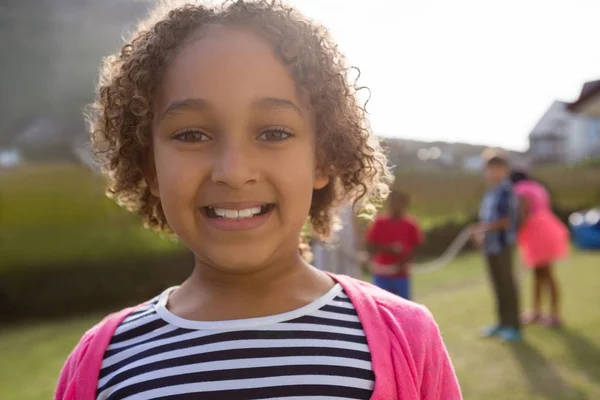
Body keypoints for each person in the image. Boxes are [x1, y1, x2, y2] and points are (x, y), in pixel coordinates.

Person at [54, 2, 462, 399]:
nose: (233, 171)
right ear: (149, 166)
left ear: (323, 157)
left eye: (273, 133)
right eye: (191, 135)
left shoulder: (405, 338)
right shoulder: (103, 364)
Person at [471, 153, 521, 342]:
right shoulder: (490, 192)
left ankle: (513, 326)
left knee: (508, 285)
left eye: (497, 168)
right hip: (490, 246)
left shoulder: (507, 191)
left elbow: (506, 221)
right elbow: (488, 219)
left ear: (505, 170)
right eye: (490, 168)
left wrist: (482, 228)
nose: (493, 172)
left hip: (503, 245)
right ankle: (502, 323)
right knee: (497, 285)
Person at [510, 170, 569, 327]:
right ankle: (537, 312)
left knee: (547, 274)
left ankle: (555, 315)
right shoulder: (537, 187)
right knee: (539, 274)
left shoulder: (520, 189)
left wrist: (514, 234)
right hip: (548, 227)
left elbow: (524, 213)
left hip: (537, 232)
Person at [365, 191, 424, 300]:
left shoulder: (411, 224)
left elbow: (416, 247)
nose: (393, 205)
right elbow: (370, 245)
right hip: (382, 273)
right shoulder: (379, 222)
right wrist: (390, 249)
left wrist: (404, 261)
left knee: (404, 306)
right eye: (391, 202)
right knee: (382, 304)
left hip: (401, 274)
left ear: (404, 204)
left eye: (396, 202)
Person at [312, 204, 362, 279]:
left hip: (347, 239)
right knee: (327, 270)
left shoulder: (349, 200)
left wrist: (357, 239)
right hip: (326, 238)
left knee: (348, 270)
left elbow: (353, 218)